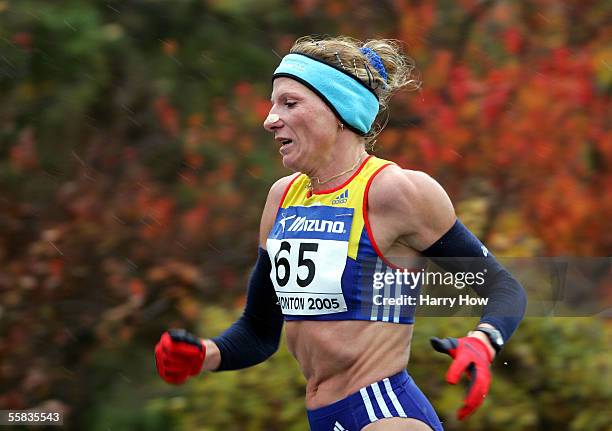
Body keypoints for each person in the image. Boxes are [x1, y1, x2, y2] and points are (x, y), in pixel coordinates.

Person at [155, 36, 527, 431]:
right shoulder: (282, 198)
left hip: (384, 414)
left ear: (339, 111)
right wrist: (204, 354)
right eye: (272, 103)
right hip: (323, 418)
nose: (269, 119)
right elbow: (260, 330)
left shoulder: (394, 191)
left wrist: (483, 340)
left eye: (289, 102)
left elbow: (503, 286)